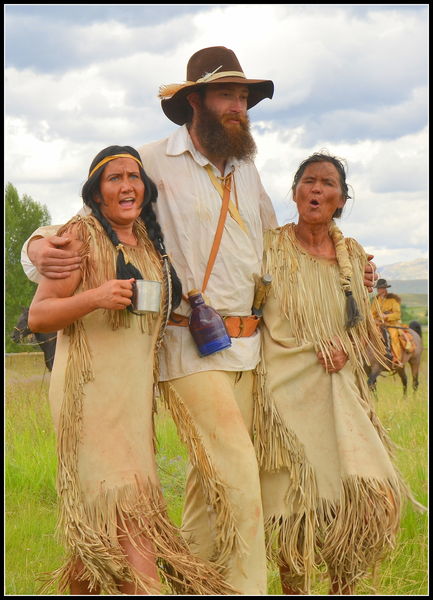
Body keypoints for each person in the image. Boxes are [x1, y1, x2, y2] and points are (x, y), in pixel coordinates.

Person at [21, 47, 377, 594]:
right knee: (239, 481)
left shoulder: (247, 168)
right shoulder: (151, 161)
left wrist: (348, 259)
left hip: (252, 352)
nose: (239, 107)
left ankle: (193, 583)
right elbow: (94, 211)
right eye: (227, 95)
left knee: (208, 492)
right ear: (195, 101)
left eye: (244, 98)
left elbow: (276, 249)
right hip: (190, 347)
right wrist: (36, 248)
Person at [27, 145, 235, 596]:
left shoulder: (150, 240)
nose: (127, 186)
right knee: (129, 522)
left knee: (99, 534)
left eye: (134, 177)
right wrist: (94, 298)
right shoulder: (79, 236)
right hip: (89, 395)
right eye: (114, 178)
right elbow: (40, 316)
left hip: (134, 399)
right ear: (96, 192)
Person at [253, 152, 410, 595]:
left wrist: (348, 344)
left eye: (327, 184)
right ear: (295, 191)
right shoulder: (269, 247)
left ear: (341, 199)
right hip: (284, 397)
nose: (316, 190)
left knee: (359, 497)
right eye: (308, 181)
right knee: (293, 511)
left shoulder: (352, 255)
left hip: (341, 395)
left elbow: (363, 325)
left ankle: (343, 589)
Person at [371, 278, 407, 365]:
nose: (379, 290)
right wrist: (373, 318)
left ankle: (396, 359)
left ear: (385, 289)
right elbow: (372, 313)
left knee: (392, 336)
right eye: (378, 288)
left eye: (381, 288)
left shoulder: (393, 300)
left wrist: (386, 316)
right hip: (378, 324)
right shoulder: (376, 300)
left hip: (391, 324)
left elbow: (397, 314)